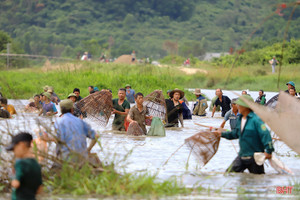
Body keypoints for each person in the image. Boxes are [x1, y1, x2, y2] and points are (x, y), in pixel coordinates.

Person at [217, 95, 274, 174]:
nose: (238, 106)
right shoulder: (240, 119)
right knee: (229, 174)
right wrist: (221, 134)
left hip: (254, 157)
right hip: (242, 155)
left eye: (239, 105)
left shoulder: (256, 120)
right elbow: (235, 134)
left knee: (258, 179)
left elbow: (266, 135)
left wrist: (269, 151)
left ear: (246, 107)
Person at [6, 132, 43, 200]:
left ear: (22, 145)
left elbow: (16, 184)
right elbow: (39, 189)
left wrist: (12, 176)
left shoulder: (20, 163)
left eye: (14, 149)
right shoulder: (36, 164)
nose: (14, 152)